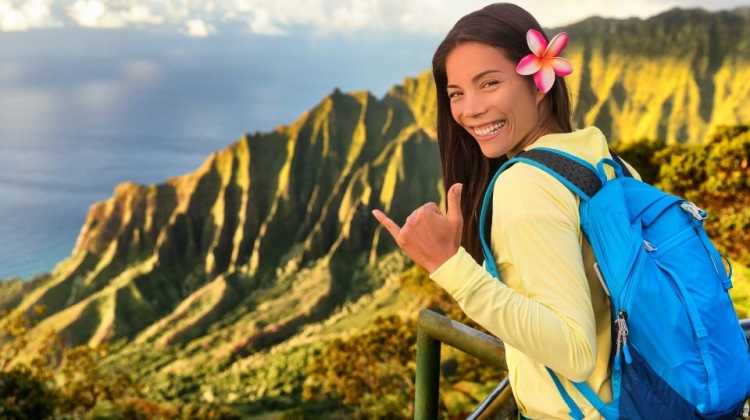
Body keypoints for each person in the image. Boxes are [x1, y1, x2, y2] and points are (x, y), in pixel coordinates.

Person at [371, 3, 642, 419]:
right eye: (456, 94)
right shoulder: (601, 157)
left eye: (490, 83)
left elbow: (575, 352)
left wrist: (449, 266)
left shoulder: (526, 185)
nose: (470, 110)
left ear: (540, 85)